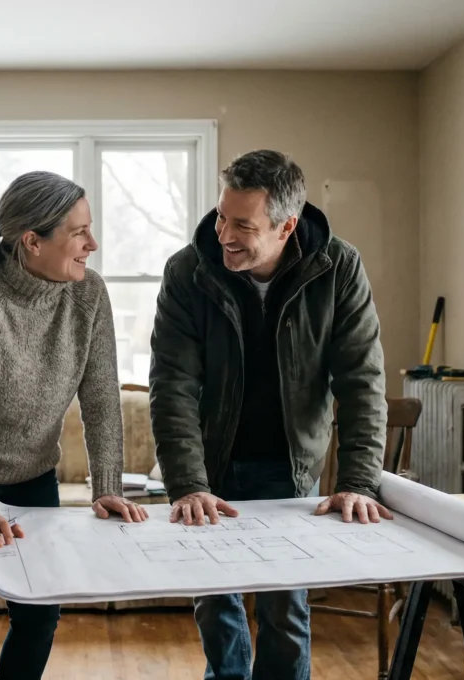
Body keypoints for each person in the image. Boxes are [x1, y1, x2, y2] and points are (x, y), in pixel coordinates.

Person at [148, 150, 392, 680]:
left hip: (290, 463)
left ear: (286, 226)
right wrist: (188, 483)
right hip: (213, 462)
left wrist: (358, 484)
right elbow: (173, 386)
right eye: (220, 216)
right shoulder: (187, 272)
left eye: (241, 224)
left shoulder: (339, 267)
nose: (223, 234)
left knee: (285, 609)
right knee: (215, 601)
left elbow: (362, 382)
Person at [0, 170, 148, 680]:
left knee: (40, 611)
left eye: (91, 229)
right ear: (32, 241)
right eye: (79, 232)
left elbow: (102, 399)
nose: (93, 244)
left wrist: (106, 488)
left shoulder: (89, 296)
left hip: (31, 473)